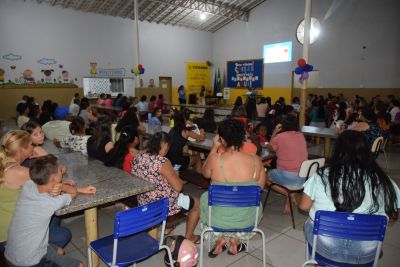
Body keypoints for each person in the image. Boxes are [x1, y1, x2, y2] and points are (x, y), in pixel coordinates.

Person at [299, 130, 400, 265]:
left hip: (326, 249)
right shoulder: (385, 181)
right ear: (366, 151)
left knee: (310, 221)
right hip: (365, 254)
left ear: (337, 151)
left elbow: (304, 206)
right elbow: (392, 217)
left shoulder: (322, 175)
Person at [5, 155, 96, 267]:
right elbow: (73, 193)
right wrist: (62, 186)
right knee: (80, 265)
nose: (62, 171)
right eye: (60, 171)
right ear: (54, 178)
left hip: (11, 253)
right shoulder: (50, 204)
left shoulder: (29, 186)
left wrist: (59, 186)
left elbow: (49, 190)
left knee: (60, 251)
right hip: (29, 261)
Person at [201, 119, 266, 257]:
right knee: (254, 201)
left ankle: (219, 239)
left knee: (204, 198)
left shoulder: (215, 159)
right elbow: (260, 187)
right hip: (247, 219)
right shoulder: (256, 160)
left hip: (217, 219)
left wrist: (214, 148)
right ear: (243, 137)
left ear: (222, 139)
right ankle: (236, 239)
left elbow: (205, 174)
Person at [0, 131, 69, 253]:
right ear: (22, 150)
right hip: (8, 236)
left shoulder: (6, 163)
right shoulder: (19, 172)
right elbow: (54, 176)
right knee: (64, 234)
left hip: (9, 222)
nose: (34, 147)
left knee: (55, 217)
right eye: (31, 144)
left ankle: (43, 244)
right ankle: (39, 253)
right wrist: (44, 156)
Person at [132, 132, 200, 243]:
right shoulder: (162, 162)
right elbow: (178, 187)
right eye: (167, 148)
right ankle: (189, 236)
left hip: (144, 200)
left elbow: (153, 178)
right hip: (163, 205)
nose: (167, 151)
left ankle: (168, 227)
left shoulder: (138, 156)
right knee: (197, 204)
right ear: (164, 145)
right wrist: (175, 175)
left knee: (180, 197)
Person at [266, 115, 308, 213]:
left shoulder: (280, 137)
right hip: (302, 177)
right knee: (284, 171)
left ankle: (288, 194)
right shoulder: (301, 135)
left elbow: (270, 148)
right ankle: (291, 195)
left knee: (264, 176)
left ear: (282, 125)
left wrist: (274, 132)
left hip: (288, 176)